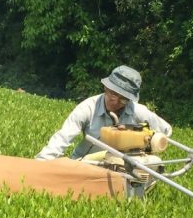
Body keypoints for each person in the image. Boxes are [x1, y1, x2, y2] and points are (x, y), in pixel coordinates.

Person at [35, 65, 172, 160]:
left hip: (121, 166)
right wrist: (41, 162)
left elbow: (166, 131)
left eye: (123, 99)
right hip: (86, 162)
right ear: (106, 87)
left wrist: (146, 143)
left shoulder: (137, 110)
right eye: (112, 94)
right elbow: (62, 138)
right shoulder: (88, 108)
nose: (115, 101)